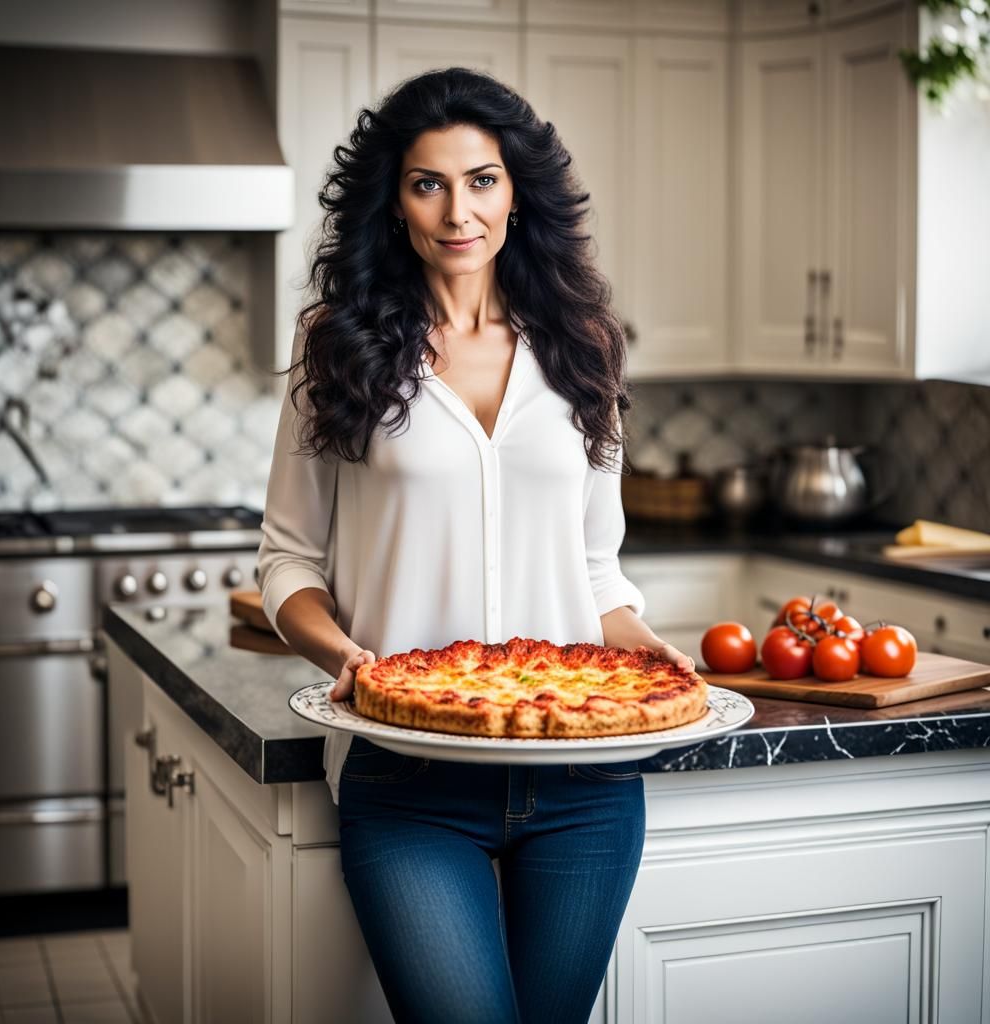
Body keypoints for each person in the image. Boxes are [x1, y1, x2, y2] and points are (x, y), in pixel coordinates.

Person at [257, 66, 696, 1024]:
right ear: (396, 202)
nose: (460, 210)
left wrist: (642, 649)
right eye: (429, 183)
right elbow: (288, 559)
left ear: (517, 191)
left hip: (585, 782)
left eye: (483, 179)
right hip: (409, 781)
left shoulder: (586, 346)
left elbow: (595, 569)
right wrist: (346, 656)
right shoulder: (336, 346)